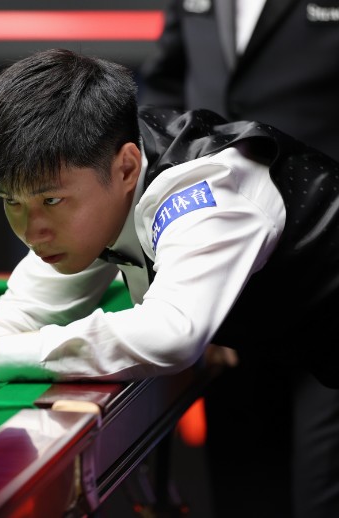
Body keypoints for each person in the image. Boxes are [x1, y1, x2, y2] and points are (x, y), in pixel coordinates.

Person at [0, 48, 339, 514]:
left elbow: (169, 335)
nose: (32, 231)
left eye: (51, 201)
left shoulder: (205, 191)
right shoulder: (97, 163)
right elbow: (28, 310)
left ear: (126, 168)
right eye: (12, 202)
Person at [138, 2, 339, 516]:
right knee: (243, 493)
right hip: (233, 285)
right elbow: (163, 91)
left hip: (327, 274)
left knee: (323, 493)